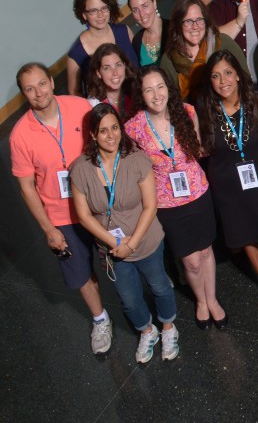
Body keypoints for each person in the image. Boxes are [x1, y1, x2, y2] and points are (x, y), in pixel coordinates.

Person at [10, 64, 111, 355]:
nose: (38, 92)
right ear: (24, 95)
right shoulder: (20, 136)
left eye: (42, 84)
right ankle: (100, 320)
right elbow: (27, 187)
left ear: (52, 82)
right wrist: (48, 230)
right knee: (79, 273)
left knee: (122, 255)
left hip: (97, 205)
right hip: (61, 215)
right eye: (30, 89)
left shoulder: (79, 107)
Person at [70, 103, 179, 364]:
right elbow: (84, 215)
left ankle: (168, 328)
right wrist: (114, 243)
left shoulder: (138, 160)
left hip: (146, 241)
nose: (111, 135)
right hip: (113, 249)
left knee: (160, 286)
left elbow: (151, 206)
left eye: (115, 128)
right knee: (128, 299)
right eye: (103, 131)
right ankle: (147, 330)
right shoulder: (80, 169)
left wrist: (132, 243)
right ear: (93, 135)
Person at [125, 66, 226, 329]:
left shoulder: (187, 112)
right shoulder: (134, 128)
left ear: (168, 88)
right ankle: (201, 301)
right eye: (148, 90)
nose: (156, 95)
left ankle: (212, 299)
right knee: (191, 260)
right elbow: (133, 167)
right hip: (167, 202)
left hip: (198, 193)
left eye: (160, 87)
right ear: (141, 95)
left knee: (205, 251)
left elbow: (201, 149)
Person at [195, 51, 258, 313]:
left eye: (227, 72)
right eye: (215, 76)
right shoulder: (205, 109)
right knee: (246, 237)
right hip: (227, 185)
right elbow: (202, 147)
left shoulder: (257, 100)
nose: (223, 80)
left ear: (238, 74)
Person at [159, 0, 246, 101]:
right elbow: (170, 103)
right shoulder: (168, 60)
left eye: (199, 20)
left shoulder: (223, 43)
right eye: (188, 21)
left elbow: (246, 82)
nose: (195, 26)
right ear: (178, 25)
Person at [67, 0, 138, 96]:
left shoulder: (124, 31)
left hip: (138, 101)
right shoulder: (77, 52)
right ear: (84, 15)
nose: (100, 15)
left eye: (104, 8)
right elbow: (74, 92)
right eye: (93, 11)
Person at [85, 44, 136, 121]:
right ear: (98, 73)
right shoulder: (93, 104)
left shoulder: (136, 90)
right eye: (107, 68)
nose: (115, 73)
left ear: (124, 66)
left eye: (118, 65)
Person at [128, 0, 168, 67]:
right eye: (135, 10)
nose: (141, 14)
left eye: (145, 6)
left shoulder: (174, 28)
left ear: (154, 3)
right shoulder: (137, 41)